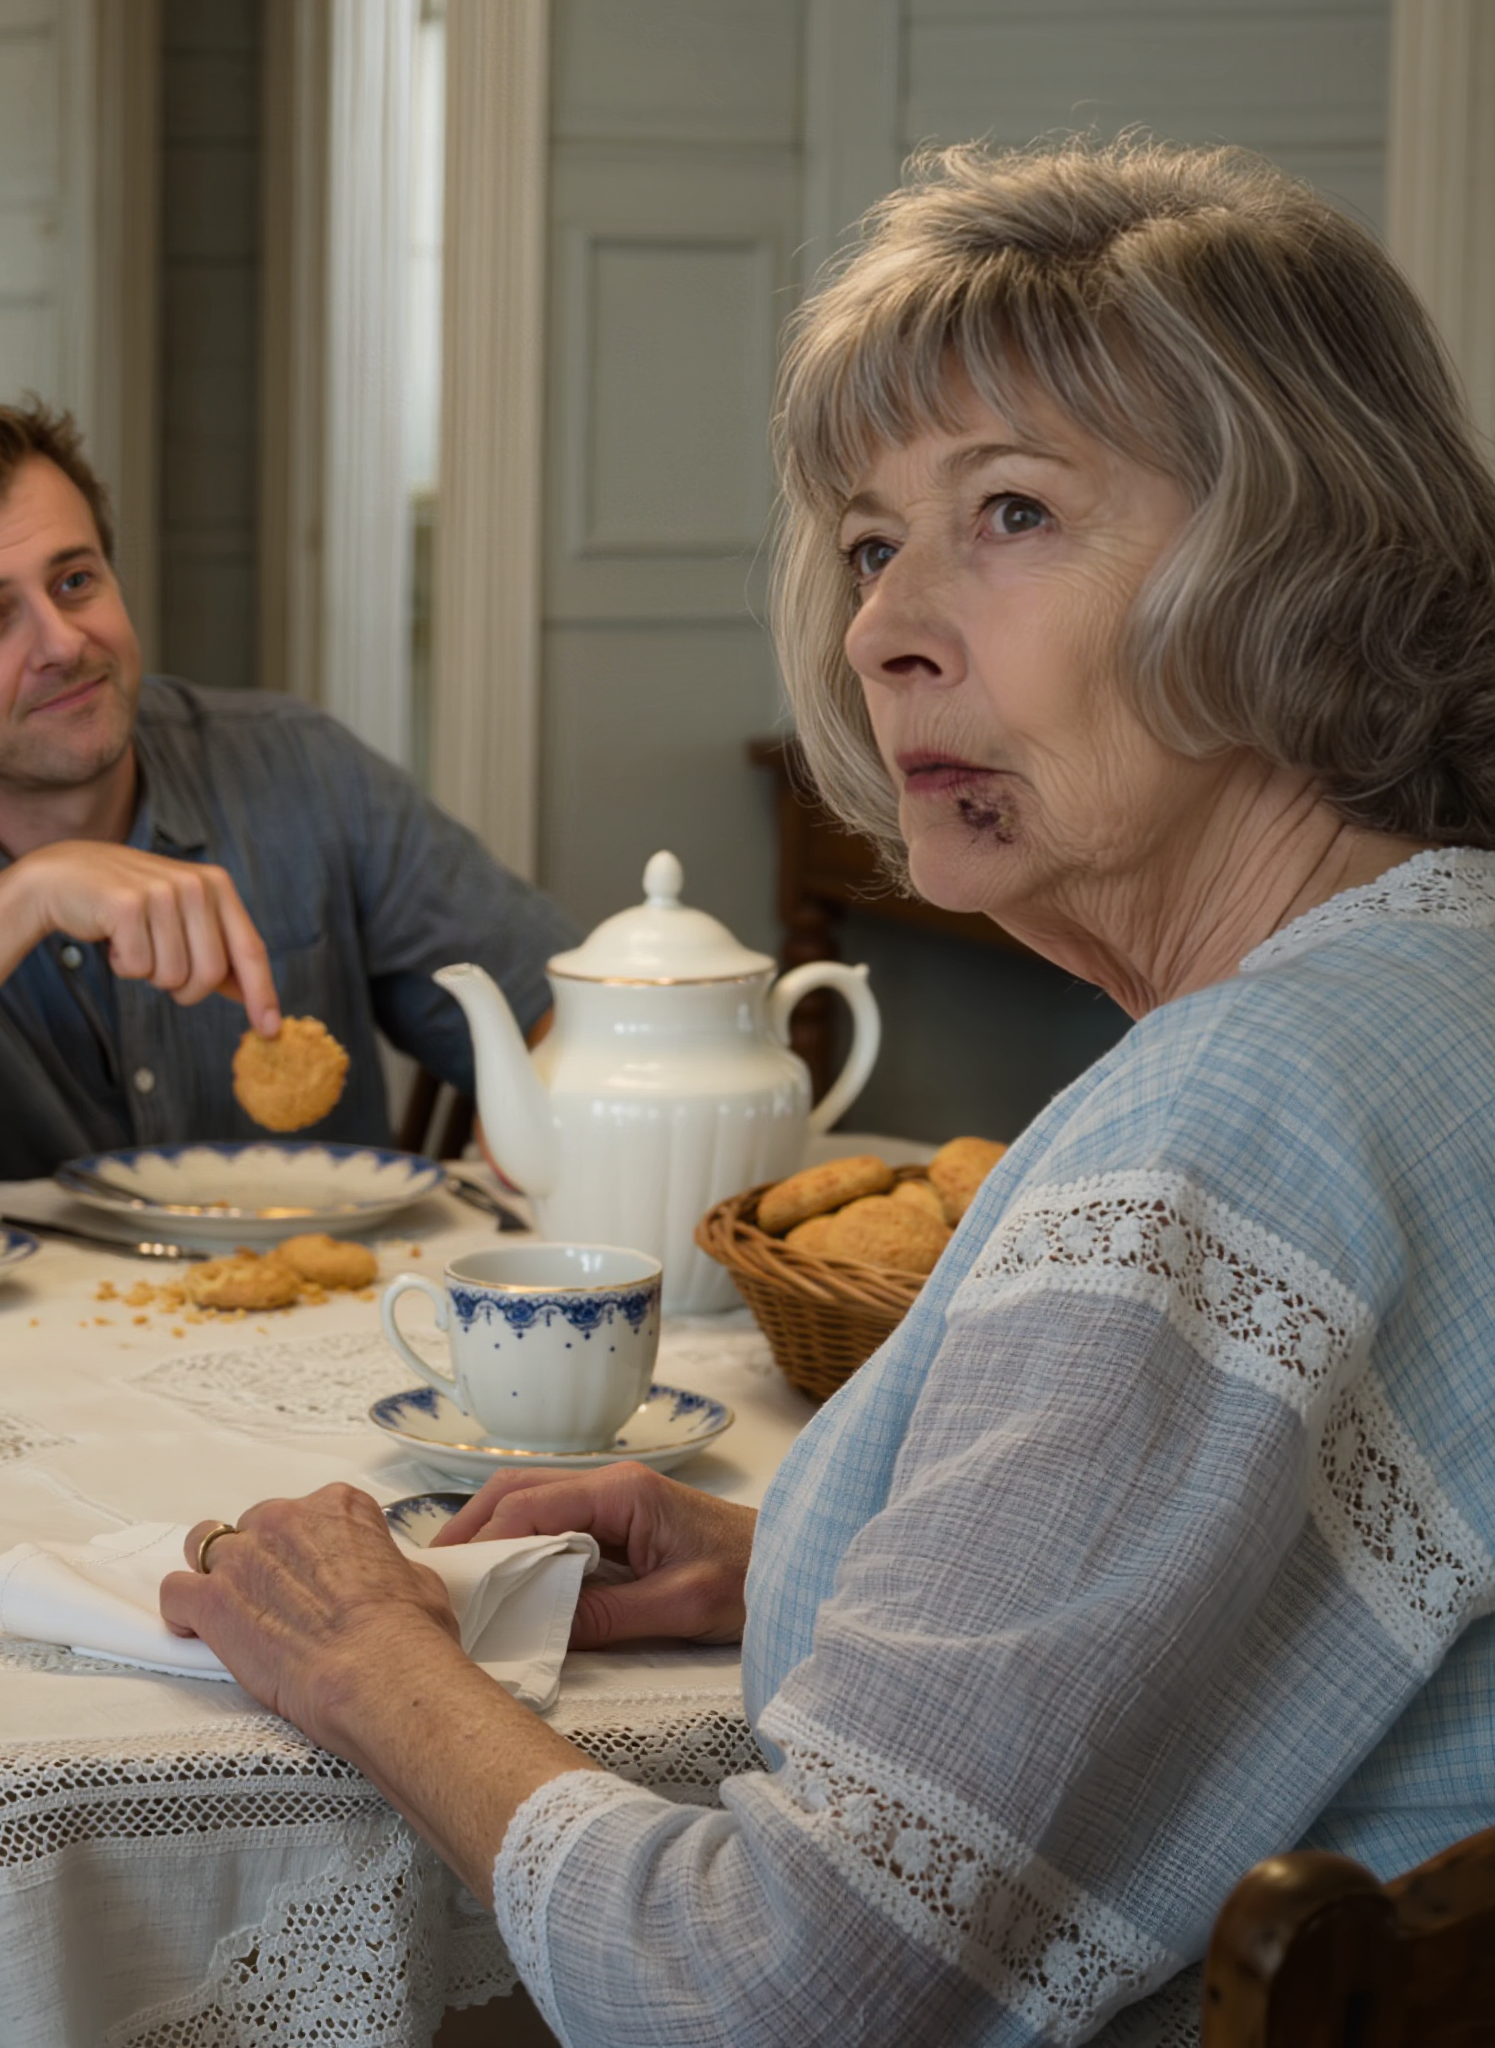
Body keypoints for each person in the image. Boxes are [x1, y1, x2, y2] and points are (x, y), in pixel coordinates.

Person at [153, 138, 1495, 2046]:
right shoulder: (1436, 979)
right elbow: (1255, 1588)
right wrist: (796, 1552)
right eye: (871, 542)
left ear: (1296, 561)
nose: (881, 628)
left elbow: (756, 1991)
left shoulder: (1227, 1128)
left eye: (1011, 511)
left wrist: (368, 1662)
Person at [0, 397, 577, 1195]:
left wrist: (564, 1093)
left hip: (317, 1347)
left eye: (74, 580)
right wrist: (28, 898)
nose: (62, 642)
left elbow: (561, 1015)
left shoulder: (303, 770)